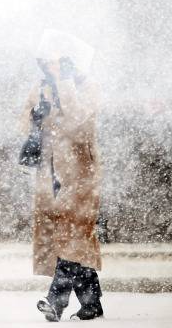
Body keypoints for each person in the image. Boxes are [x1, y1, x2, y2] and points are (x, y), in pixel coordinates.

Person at [20, 30, 103, 321]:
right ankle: (92, 304)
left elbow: (79, 126)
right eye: (48, 62)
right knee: (72, 240)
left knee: (71, 237)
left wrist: (65, 85)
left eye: (57, 62)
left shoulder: (87, 87)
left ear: (69, 62)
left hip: (80, 176)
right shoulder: (42, 88)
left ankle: (55, 301)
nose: (51, 66)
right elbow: (24, 121)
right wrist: (35, 117)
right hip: (51, 177)